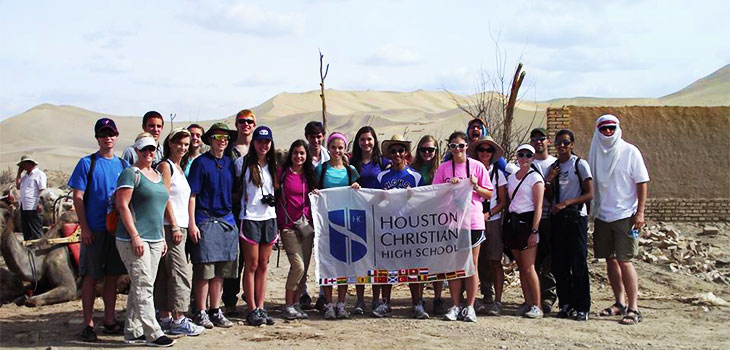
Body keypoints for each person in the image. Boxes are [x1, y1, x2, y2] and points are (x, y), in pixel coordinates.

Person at [68, 118, 129, 342]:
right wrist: (84, 227)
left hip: (116, 230)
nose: (107, 138)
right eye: (103, 134)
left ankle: (110, 320)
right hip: (94, 228)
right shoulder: (87, 163)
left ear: (116, 136)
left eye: (111, 133)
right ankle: (88, 324)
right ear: (97, 138)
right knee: (91, 277)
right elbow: (78, 197)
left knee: (113, 276)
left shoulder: (123, 165)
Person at [114, 133, 175, 347]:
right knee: (143, 284)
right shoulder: (131, 174)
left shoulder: (157, 175)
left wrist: (162, 237)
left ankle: (133, 330)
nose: (148, 153)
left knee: (143, 284)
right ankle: (153, 332)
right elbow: (122, 205)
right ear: (136, 151)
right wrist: (135, 236)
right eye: (144, 149)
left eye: (152, 149)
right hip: (133, 239)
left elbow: (158, 210)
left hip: (156, 239)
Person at [588, 114, 649, 326]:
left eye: (611, 128)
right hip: (603, 215)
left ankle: (634, 308)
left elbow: (642, 182)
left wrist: (640, 212)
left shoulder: (630, 152)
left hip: (625, 215)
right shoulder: (595, 152)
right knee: (610, 259)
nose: (607, 132)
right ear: (598, 130)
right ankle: (619, 303)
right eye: (603, 128)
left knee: (625, 260)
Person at [432, 131, 493, 322]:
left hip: (473, 221)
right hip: (452, 221)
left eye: (460, 145)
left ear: (467, 146)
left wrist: (475, 186)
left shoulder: (477, 167)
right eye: (453, 146)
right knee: (455, 265)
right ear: (449, 148)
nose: (457, 149)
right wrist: (448, 186)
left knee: (471, 264)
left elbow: (489, 194)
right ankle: (455, 305)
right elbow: (434, 193)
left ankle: (470, 306)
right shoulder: (443, 168)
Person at [153, 127, 205, 336]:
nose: (183, 147)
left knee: (167, 274)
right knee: (179, 272)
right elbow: (163, 196)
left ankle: (165, 317)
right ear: (170, 144)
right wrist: (174, 225)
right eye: (179, 143)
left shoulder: (179, 167)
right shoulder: (166, 166)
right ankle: (179, 318)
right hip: (171, 226)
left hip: (179, 225)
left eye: (186, 144)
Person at [187, 122, 238, 329]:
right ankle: (200, 310)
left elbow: (234, 192)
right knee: (204, 269)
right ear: (210, 140)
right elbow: (192, 195)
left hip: (226, 219)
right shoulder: (200, 163)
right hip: (205, 219)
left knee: (221, 270)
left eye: (225, 138)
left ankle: (215, 310)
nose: (222, 141)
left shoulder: (229, 163)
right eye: (217, 137)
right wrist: (192, 223)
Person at [545, 129, 594, 321]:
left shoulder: (579, 165)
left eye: (565, 143)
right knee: (560, 264)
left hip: (575, 218)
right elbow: (550, 196)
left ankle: (582, 306)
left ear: (572, 144)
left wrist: (567, 203)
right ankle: (566, 304)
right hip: (558, 219)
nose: (562, 146)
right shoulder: (554, 167)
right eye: (558, 143)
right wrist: (548, 181)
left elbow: (589, 193)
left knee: (578, 263)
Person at [377, 135, 428, 318]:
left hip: (410, 229)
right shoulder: (382, 176)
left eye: (400, 150)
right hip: (389, 228)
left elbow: (423, 202)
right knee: (387, 265)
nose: (397, 154)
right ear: (389, 154)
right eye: (393, 151)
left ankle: (417, 303)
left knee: (413, 266)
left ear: (406, 153)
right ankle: (385, 303)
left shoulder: (415, 177)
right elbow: (374, 201)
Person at [313, 132, 361, 320]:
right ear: (329, 148)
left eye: (340, 147)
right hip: (326, 222)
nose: (337, 151)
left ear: (345, 149)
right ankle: (328, 303)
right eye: (333, 147)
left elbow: (359, 191)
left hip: (345, 222)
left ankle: (341, 303)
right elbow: (314, 188)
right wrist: (316, 192)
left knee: (343, 263)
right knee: (327, 263)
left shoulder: (351, 171)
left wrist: (356, 188)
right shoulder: (322, 169)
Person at [235, 126, 279, 326]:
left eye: (267, 142)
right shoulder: (242, 164)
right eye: (260, 141)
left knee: (263, 265)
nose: (264, 145)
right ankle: (251, 308)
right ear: (253, 143)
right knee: (251, 265)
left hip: (269, 218)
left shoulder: (274, 164)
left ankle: (261, 307)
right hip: (250, 218)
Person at [350, 126, 391, 316]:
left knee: (378, 259)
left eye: (369, 139)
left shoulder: (383, 163)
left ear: (375, 141)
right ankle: (359, 300)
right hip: (358, 215)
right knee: (360, 258)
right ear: (358, 142)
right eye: (362, 139)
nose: (366, 143)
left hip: (379, 216)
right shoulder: (351, 162)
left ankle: (376, 299)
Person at [277, 140, 317, 320]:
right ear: (290, 155)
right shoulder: (283, 174)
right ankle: (288, 305)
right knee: (298, 266)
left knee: (304, 268)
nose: (298, 156)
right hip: (288, 227)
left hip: (306, 227)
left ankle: (296, 304)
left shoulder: (310, 175)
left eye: (302, 153)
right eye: (295, 153)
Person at [504, 144, 545, 319]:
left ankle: (537, 305)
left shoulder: (535, 178)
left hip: (528, 223)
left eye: (528, 155)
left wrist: (534, 230)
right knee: (521, 267)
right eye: (521, 155)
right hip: (513, 223)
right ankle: (528, 302)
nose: (524, 158)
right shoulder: (512, 178)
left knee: (529, 267)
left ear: (533, 158)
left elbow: (539, 207)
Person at [222, 109, 256, 315]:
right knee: (234, 256)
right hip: (233, 207)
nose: (246, 125)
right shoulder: (229, 150)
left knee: (254, 256)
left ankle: (250, 295)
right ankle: (229, 298)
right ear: (236, 125)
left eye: (249, 121)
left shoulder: (261, 147)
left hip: (255, 210)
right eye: (242, 121)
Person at [469, 136, 508, 316]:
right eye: (481, 150)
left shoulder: (498, 173)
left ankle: (496, 299)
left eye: (488, 150)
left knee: (494, 260)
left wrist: (489, 214)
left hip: (491, 220)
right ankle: (473, 298)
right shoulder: (469, 171)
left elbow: (502, 199)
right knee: (473, 261)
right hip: (472, 221)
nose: (484, 153)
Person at [410, 135, 446, 314]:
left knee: (438, 259)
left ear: (436, 151)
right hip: (417, 220)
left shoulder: (442, 169)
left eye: (431, 149)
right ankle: (419, 298)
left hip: (437, 220)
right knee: (418, 259)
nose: (427, 153)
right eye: (423, 149)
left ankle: (438, 298)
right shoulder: (412, 169)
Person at [529, 127, 558, 313]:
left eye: (542, 138)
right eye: (535, 139)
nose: (539, 142)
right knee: (533, 261)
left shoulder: (556, 164)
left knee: (549, 260)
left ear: (548, 141)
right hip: (530, 219)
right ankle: (533, 298)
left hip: (551, 218)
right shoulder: (527, 163)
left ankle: (548, 297)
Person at [303, 120, 328, 310]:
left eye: (319, 136)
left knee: (323, 255)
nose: (316, 140)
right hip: (304, 214)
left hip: (324, 214)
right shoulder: (300, 157)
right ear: (307, 138)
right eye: (312, 137)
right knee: (303, 256)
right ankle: (302, 292)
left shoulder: (330, 158)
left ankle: (323, 294)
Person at [15, 155, 47, 241]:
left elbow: (42, 189)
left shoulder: (39, 174)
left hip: (33, 205)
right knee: (26, 229)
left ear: (30, 163)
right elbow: (18, 186)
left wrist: (39, 203)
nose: (23, 167)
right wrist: (19, 173)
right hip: (24, 205)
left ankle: (40, 248)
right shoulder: (25, 176)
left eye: (24, 164)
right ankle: (28, 248)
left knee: (36, 228)